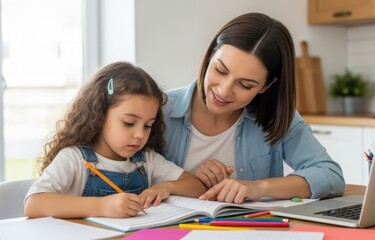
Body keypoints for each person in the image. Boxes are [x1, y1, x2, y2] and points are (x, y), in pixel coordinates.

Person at [162, 12, 345, 204]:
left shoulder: (276, 116)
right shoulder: (161, 110)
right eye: (220, 70)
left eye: (245, 85)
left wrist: (258, 187)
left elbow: (330, 175)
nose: (224, 91)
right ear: (209, 57)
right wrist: (188, 180)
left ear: (266, 86)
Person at [24, 62, 206, 218]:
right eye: (129, 123)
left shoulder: (146, 160)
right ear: (99, 115)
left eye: (147, 125)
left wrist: (166, 187)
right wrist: (102, 206)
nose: (140, 135)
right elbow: (34, 204)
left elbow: (197, 187)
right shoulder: (73, 159)